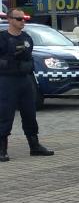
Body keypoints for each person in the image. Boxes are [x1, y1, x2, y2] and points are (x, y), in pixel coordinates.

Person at [0, 9, 54, 162]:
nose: (22, 21)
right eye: (18, 19)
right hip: (6, 81)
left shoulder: (27, 38)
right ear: (9, 20)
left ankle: (34, 145)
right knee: (5, 114)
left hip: (24, 80)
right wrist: (11, 63)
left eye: (23, 19)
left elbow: (30, 60)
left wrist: (25, 66)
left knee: (30, 113)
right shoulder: (2, 39)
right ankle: (2, 149)